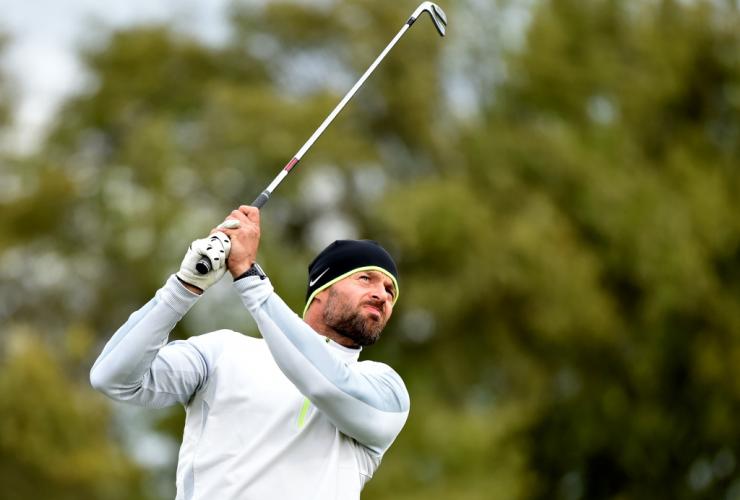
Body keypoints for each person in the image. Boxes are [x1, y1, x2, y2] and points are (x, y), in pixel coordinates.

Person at [89, 205, 409, 500]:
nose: (381, 295)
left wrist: (248, 276)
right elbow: (112, 378)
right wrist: (183, 287)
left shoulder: (385, 388)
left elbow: (327, 383)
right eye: (366, 278)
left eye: (389, 290)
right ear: (321, 290)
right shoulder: (223, 352)